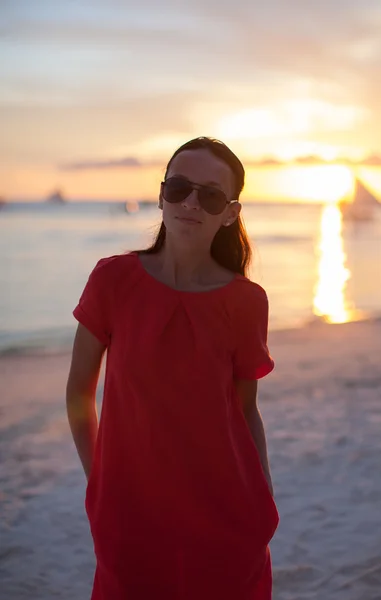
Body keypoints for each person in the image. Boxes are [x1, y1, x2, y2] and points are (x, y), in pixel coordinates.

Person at [66, 136, 279, 600]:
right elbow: (79, 394)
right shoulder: (112, 281)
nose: (190, 203)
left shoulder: (246, 301)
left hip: (228, 517)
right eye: (179, 187)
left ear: (230, 212)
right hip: (131, 516)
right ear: (161, 194)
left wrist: (263, 496)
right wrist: (101, 483)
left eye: (210, 195)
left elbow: (246, 411)